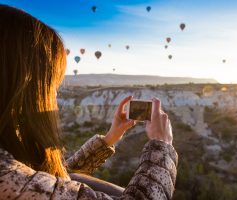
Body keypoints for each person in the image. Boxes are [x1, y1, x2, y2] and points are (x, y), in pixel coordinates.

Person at [0, 4, 178, 200]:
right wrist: (162, 146)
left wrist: (110, 138)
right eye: (52, 86)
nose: (54, 97)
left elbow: (50, 183)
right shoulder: (7, 177)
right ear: (20, 86)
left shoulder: (13, 175)